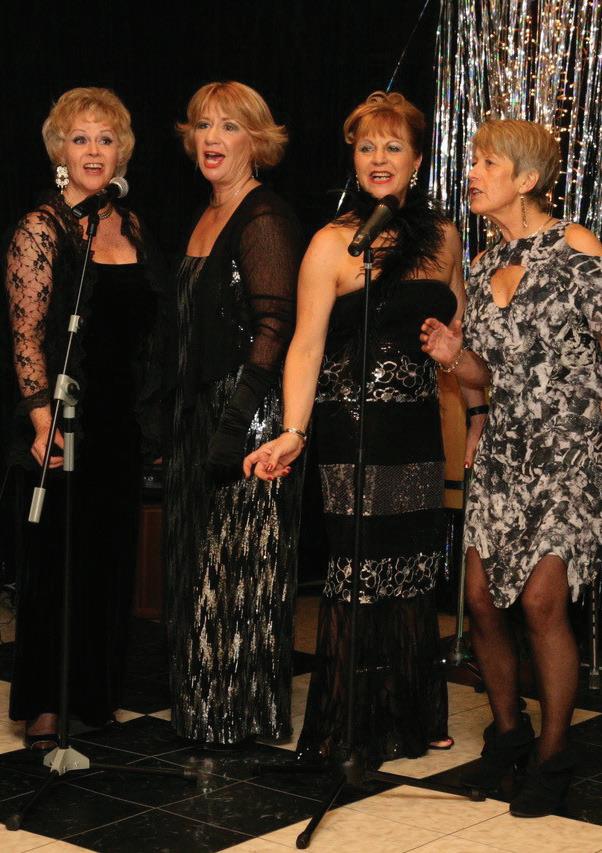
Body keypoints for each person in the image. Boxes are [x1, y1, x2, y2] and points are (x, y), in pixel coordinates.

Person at [245, 91, 486, 768]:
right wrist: (293, 431)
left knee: (412, 567)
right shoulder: (333, 242)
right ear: (352, 159)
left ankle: (412, 711)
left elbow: (460, 337)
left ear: (417, 160)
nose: (379, 158)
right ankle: (350, 719)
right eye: (366, 147)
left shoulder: (444, 238)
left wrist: (476, 409)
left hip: (416, 427)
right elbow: (305, 346)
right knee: (358, 569)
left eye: (393, 146)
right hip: (351, 429)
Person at [420, 118, 601, 816]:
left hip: (571, 449)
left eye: (487, 162)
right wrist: (452, 356)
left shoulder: (575, 245)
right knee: (481, 601)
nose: (472, 172)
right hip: (504, 449)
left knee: (541, 602)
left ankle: (555, 754)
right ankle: (508, 733)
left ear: (526, 179)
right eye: (473, 160)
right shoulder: (482, 263)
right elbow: (483, 376)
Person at [5, 87, 164, 748]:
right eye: (80, 138)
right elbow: (26, 334)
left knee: (108, 558)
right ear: (59, 152)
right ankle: (46, 704)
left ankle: (95, 694)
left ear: (121, 151)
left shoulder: (132, 225)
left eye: (105, 138)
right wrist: (44, 421)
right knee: (56, 561)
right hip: (63, 419)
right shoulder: (42, 227)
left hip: (121, 422)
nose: (94, 150)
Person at [164, 81, 303, 746]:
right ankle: (208, 710)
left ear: (257, 141)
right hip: (203, 409)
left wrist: (235, 419)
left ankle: (236, 715)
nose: (211, 138)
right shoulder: (206, 213)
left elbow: (275, 326)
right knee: (202, 564)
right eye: (203, 125)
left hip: (247, 413)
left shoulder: (263, 217)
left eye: (229, 126)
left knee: (237, 567)